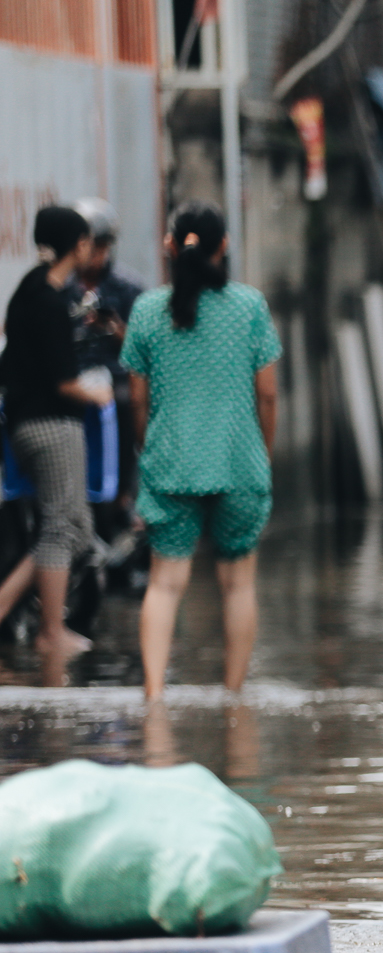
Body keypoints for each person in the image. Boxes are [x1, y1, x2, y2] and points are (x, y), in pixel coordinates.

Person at [122, 203, 281, 701]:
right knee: (238, 585)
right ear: (224, 246)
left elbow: (139, 401)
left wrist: (152, 448)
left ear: (170, 246)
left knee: (165, 584)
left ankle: (153, 700)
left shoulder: (147, 311)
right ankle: (234, 700)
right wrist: (263, 452)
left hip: (172, 462)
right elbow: (269, 394)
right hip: (238, 461)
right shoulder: (249, 306)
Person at [0, 206, 115, 658]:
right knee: (59, 529)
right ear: (78, 245)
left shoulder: (30, 287)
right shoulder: (50, 302)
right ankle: (51, 631)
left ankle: (9, 603)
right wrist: (99, 396)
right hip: (53, 426)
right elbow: (65, 382)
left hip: (26, 423)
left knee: (76, 528)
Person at [64, 198, 147, 505]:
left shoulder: (128, 287)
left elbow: (143, 347)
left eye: (100, 248)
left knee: (127, 402)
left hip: (114, 374)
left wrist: (114, 330)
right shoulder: (63, 287)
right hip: (73, 375)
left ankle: (124, 491)